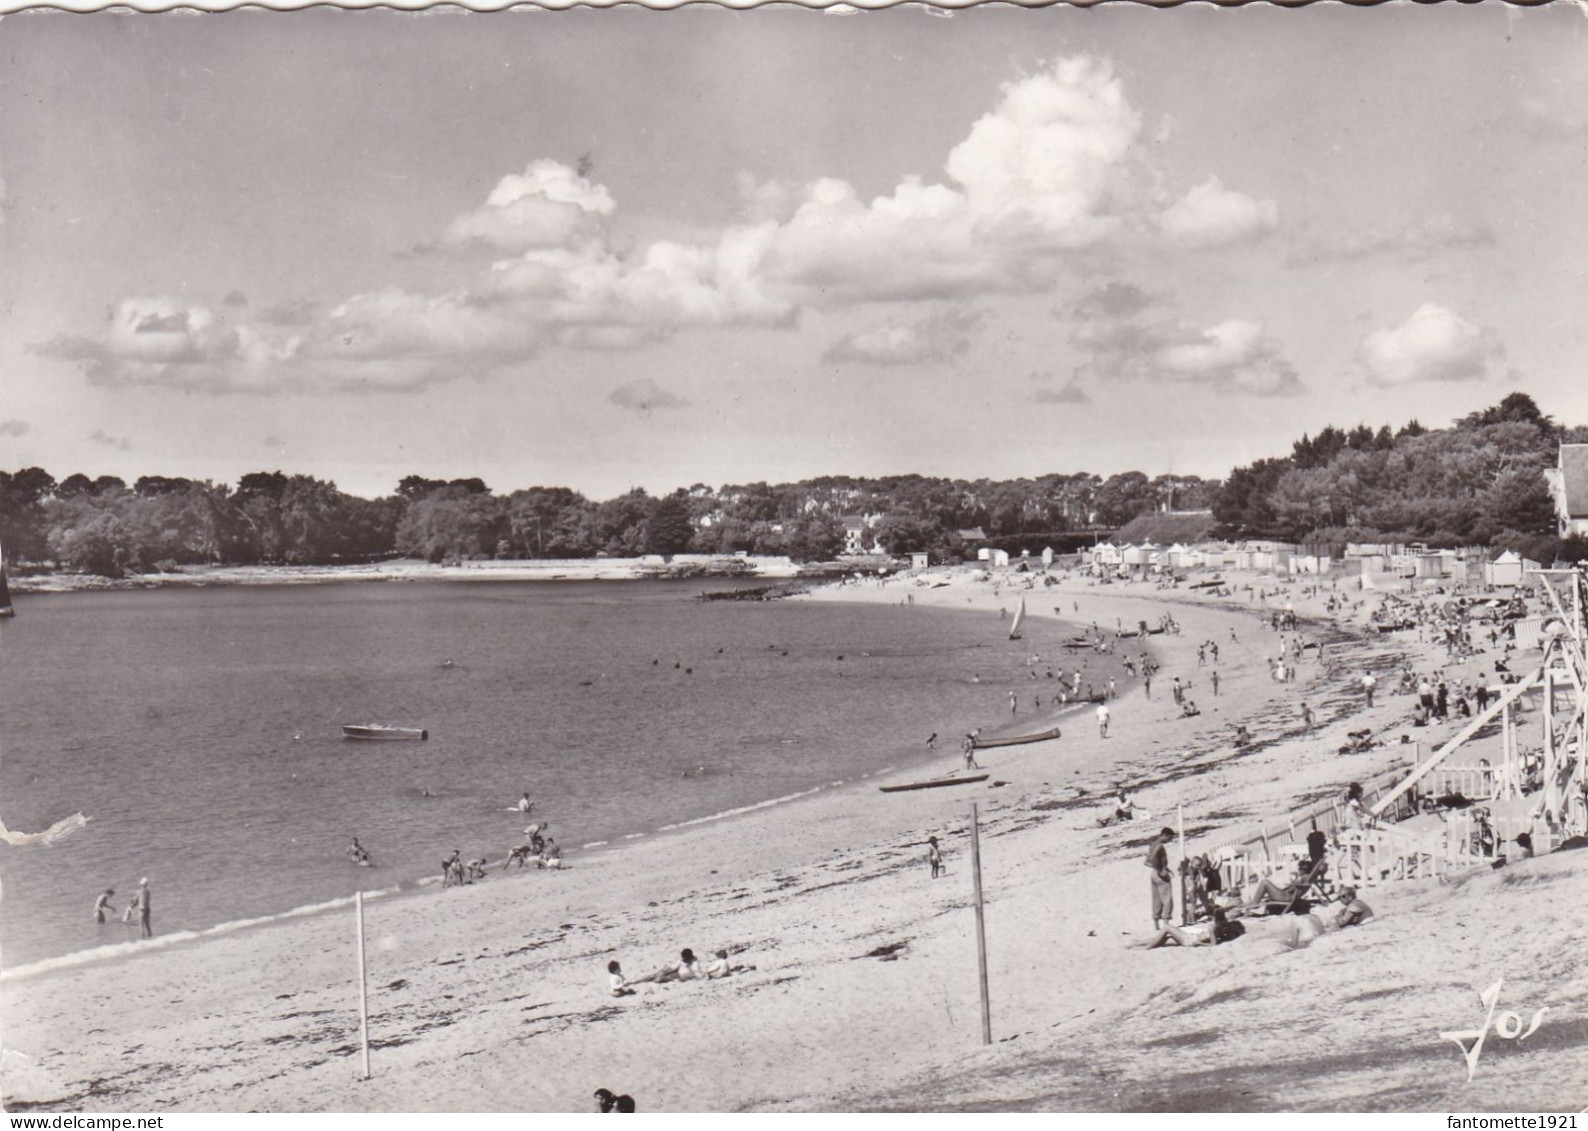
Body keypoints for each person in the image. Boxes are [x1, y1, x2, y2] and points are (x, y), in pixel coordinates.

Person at [1146, 908, 1245, 949]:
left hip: (1189, 940)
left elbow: (1213, 945)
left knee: (1167, 927)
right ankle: (1137, 943)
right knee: (1166, 940)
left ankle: (1147, 948)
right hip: (1190, 938)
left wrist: (1199, 944)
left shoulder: (1213, 928)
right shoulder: (1222, 927)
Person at [1145, 827, 1175, 930]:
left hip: (1153, 874)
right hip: (1159, 875)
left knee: (1156, 899)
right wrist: (1161, 870)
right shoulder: (1159, 846)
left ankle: (1156, 925)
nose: (1170, 840)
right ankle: (1166, 924)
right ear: (1165, 835)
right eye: (1169, 838)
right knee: (1167, 899)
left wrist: (1161, 868)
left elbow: (1147, 861)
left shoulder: (1153, 844)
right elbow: (1152, 858)